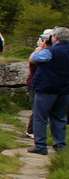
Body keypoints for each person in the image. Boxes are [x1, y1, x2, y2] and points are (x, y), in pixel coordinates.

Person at [28, 26, 69, 155]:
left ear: (55, 37)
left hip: (47, 88)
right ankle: (60, 145)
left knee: (40, 117)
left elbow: (33, 59)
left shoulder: (50, 52)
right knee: (60, 117)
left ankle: (40, 145)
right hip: (65, 89)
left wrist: (41, 46)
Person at [26, 29, 54, 137]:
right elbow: (32, 61)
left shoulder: (48, 52)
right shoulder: (41, 52)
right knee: (37, 109)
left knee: (40, 108)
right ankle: (31, 131)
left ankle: (34, 131)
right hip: (34, 82)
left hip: (38, 82)